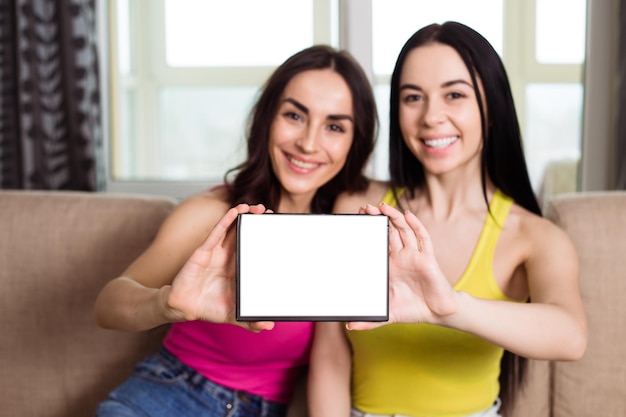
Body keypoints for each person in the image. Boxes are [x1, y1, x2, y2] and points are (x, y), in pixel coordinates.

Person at [308, 21, 587, 417]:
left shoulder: (535, 237)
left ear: (491, 107)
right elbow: (331, 356)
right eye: (412, 97)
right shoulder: (358, 206)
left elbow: (571, 336)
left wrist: (450, 307)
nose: (431, 117)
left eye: (454, 94)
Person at [94, 44, 378, 417]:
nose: (309, 143)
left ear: (353, 143)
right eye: (295, 115)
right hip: (170, 395)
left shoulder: (350, 232)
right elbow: (109, 305)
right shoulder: (213, 214)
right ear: (266, 119)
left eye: (335, 126)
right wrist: (166, 304)